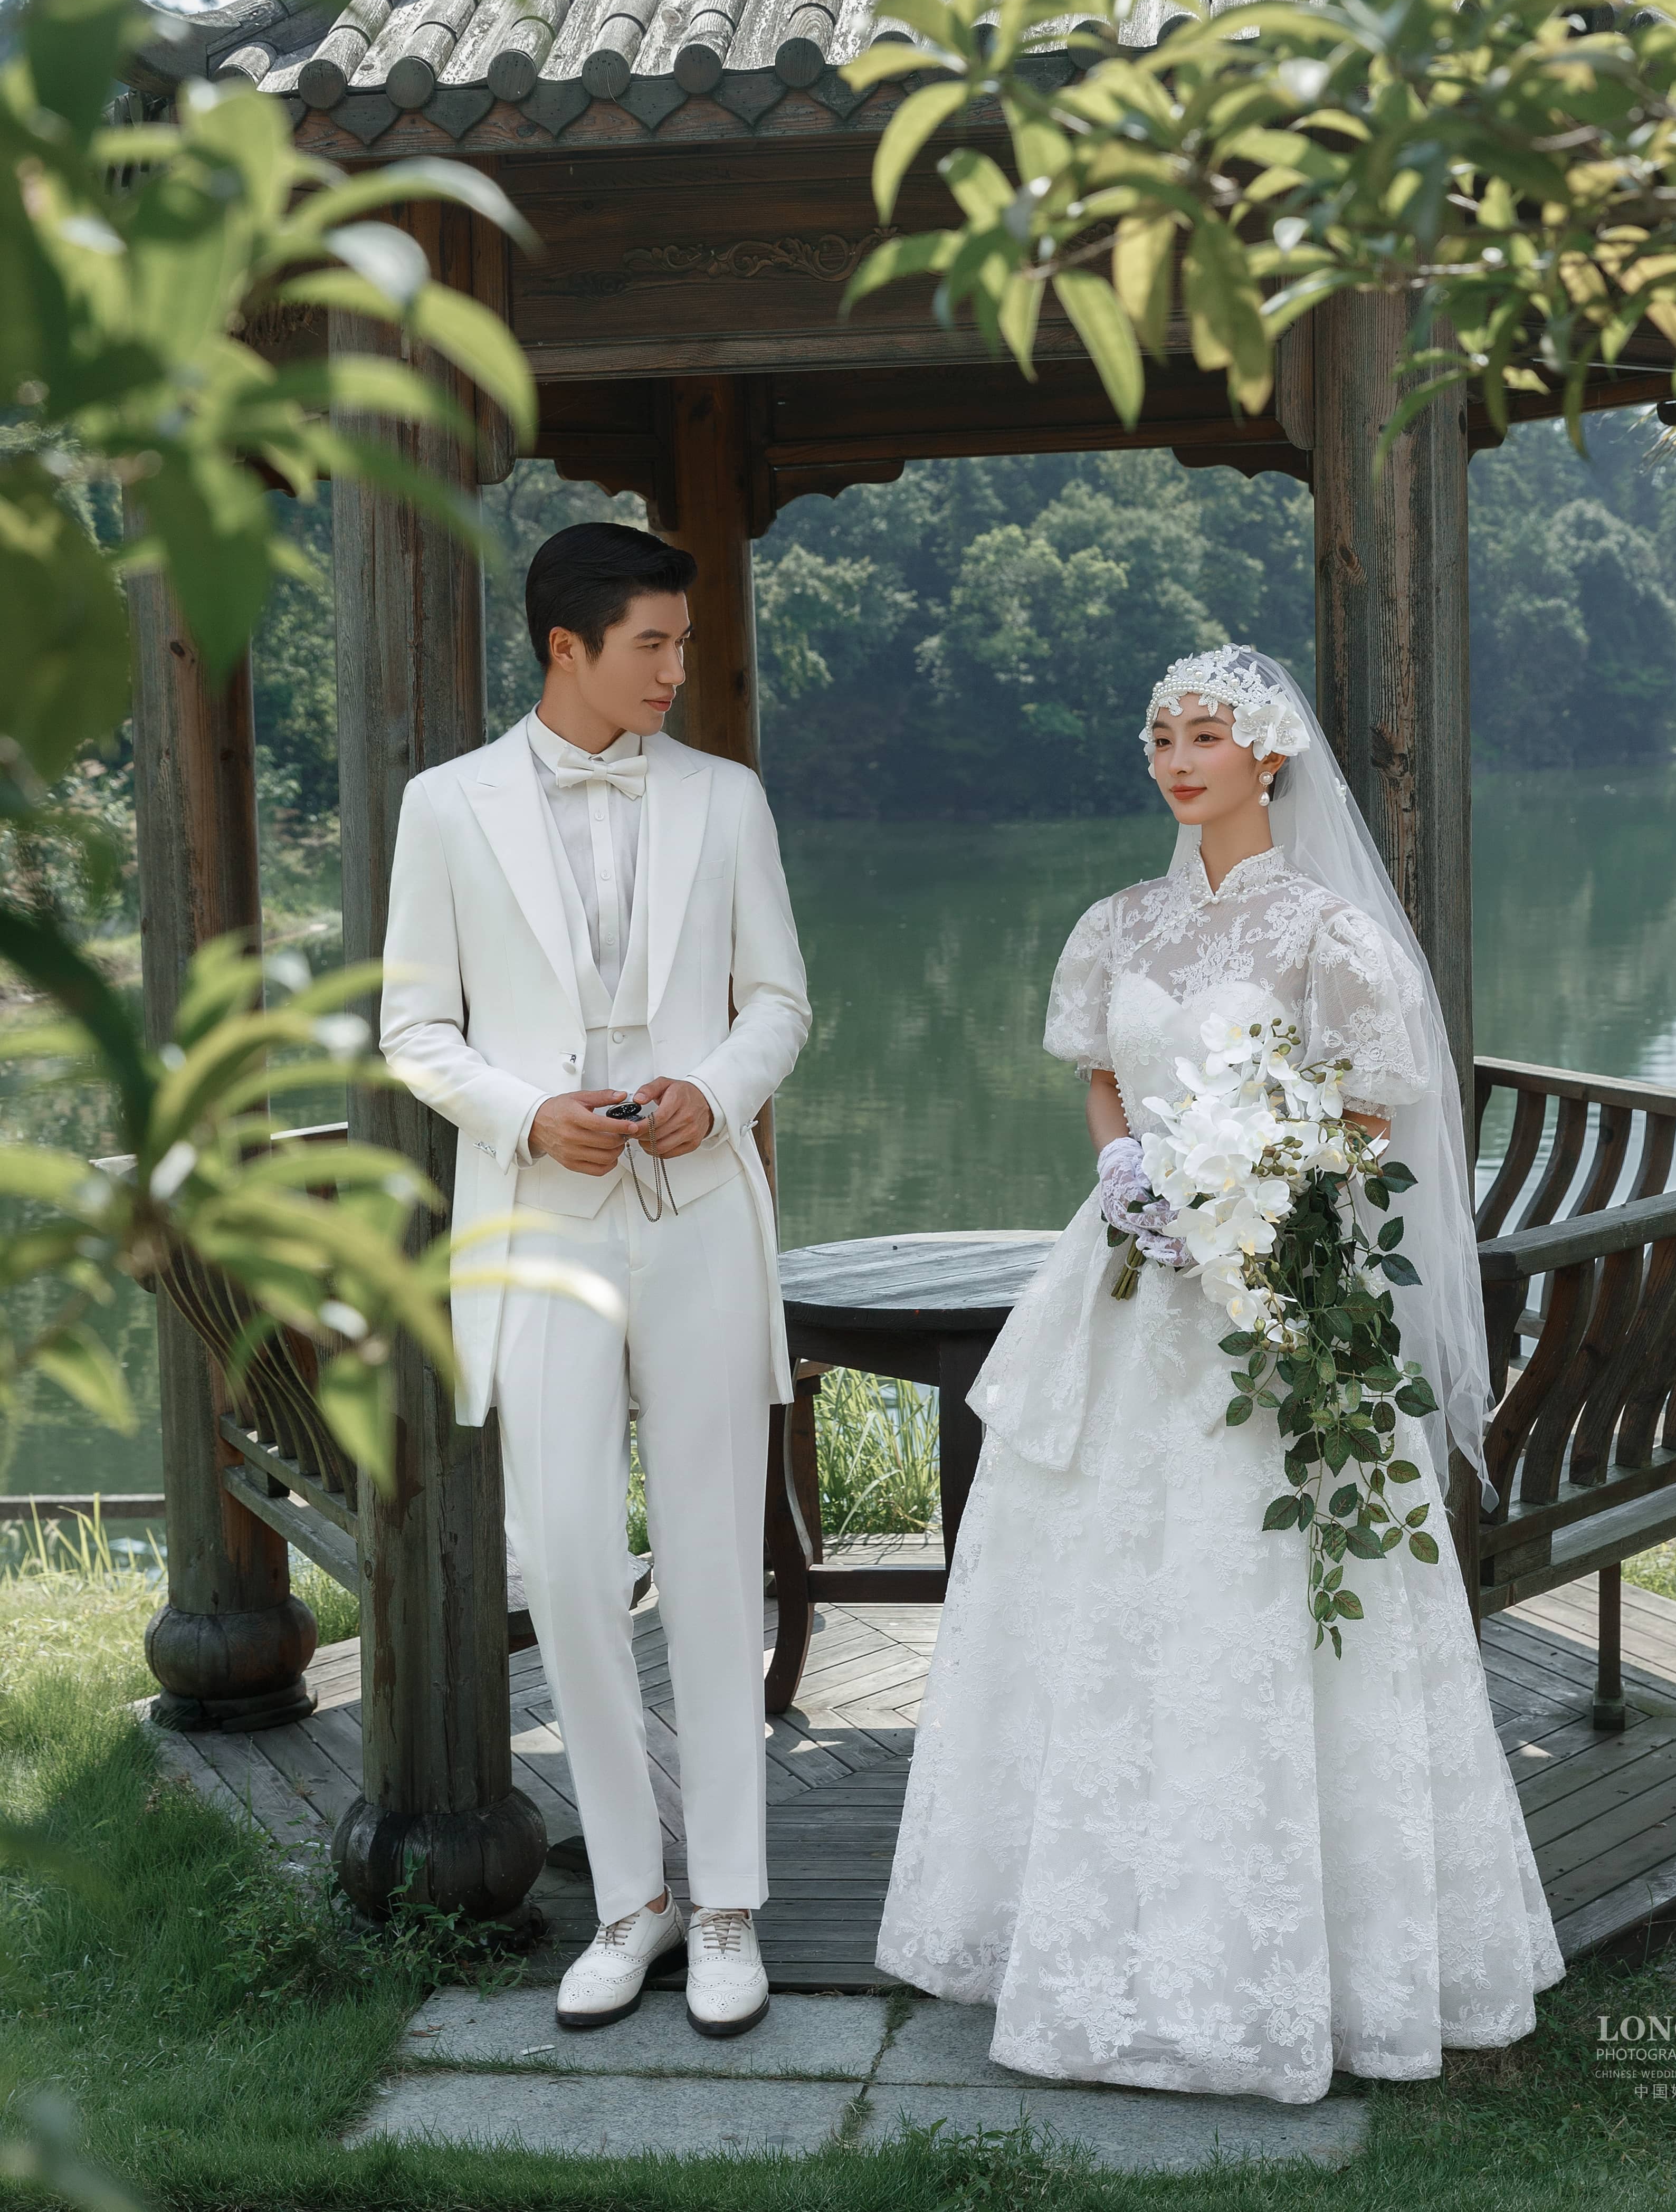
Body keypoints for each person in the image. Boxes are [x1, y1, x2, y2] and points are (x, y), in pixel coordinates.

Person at [878, 645, 1561, 2099]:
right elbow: (1102, 1073)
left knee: (1262, 1586)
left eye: (1205, 736)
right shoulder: (1120, 922)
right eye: (1162, 738)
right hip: (1130, 1284)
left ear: (1269, 756)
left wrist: (1253, 1192)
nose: (1178, 760)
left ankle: (1295, 1952)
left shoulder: (1329, 937)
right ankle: (1078, 1928)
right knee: (1091, 1576)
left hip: (1277, 1291)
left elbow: (1373, 1118)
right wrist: (1126, 1168)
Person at [379, 522, 810, 2040]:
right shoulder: (447, 807)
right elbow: (415, 1028)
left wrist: (715, 1088)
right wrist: (523, 1115)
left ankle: (731, 1900)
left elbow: (780, 1001)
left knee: (713, 1557)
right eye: (654, 644)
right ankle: (633, 1900)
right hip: (538, 1225)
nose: (679, 669)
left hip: (699, 1215)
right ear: (567, 647)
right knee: (565, 1559)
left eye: (684, 644)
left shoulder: (726, 797)